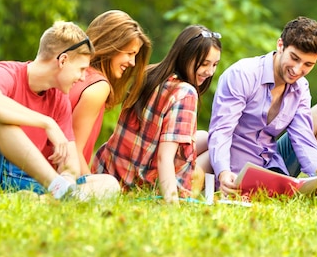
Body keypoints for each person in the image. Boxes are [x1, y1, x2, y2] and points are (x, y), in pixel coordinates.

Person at [0, 21, 120, 200]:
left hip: (20, 178)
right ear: (63, 60)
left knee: (108, 184)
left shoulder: (59, 99)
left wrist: (67, 176)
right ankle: (58, 189)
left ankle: (46, 199)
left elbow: (70, 164)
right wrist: (46, 122)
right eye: (81, 69)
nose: (82, 78)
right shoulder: (4, 73)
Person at [207, 16, 317, 195]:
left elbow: (303, 137)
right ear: (280, 45)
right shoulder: (242, 74)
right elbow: (221, 130)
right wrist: (223, 173)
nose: (297, 70)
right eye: (294, 58)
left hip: (273, 162)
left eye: (308, 64)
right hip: (237, 167)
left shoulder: (301, 87)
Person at [92, 25, 222, 203]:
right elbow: (164, 156)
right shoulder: (185, 93)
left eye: (215, 64)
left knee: (206, 138)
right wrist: (172, 202)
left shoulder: (149, 73)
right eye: (204, 63)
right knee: (211, 152)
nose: (210, 72)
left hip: (112, 169)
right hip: (144, 184)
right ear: (186, 57)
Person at [68, 10, 152, 174]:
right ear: (111, 45)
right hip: (63, 175)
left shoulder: (75, 74)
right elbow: (73, 151)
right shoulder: (98, 86)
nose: (133, 63)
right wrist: (88, 186)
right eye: (129, 53)